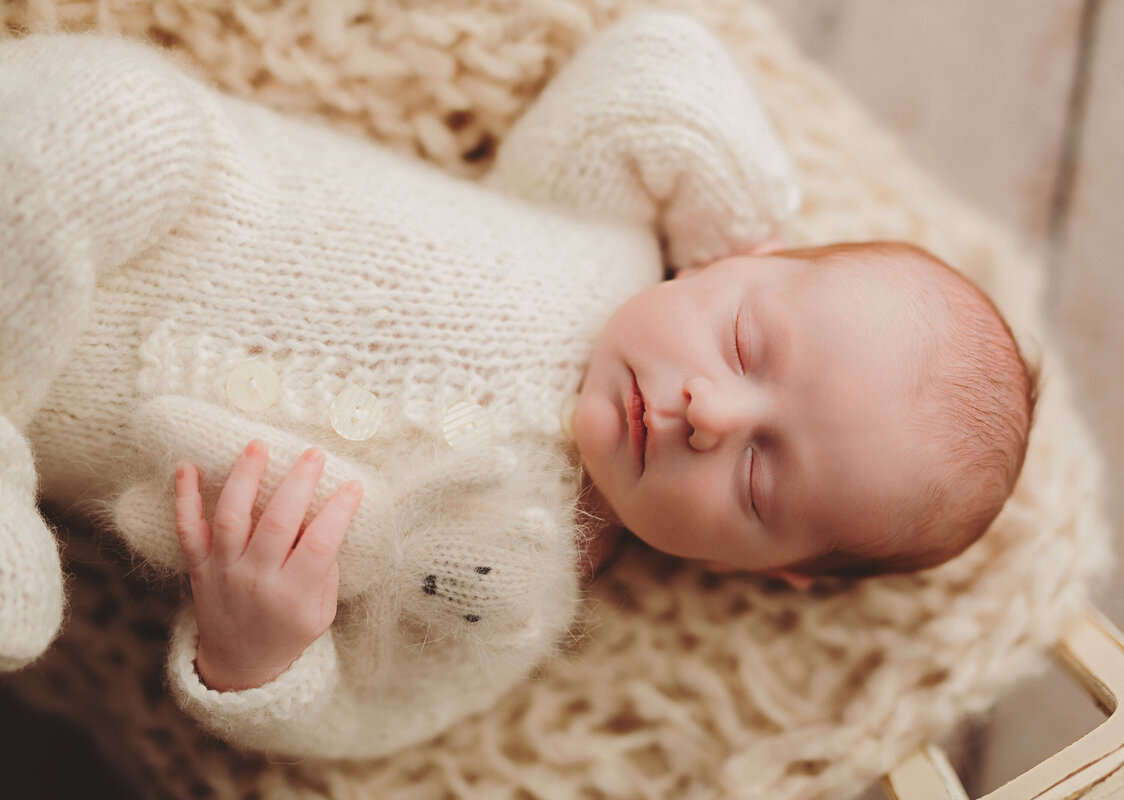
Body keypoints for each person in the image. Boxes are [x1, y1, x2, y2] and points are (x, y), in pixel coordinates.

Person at [0, 10, 1032, 759]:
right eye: (748, 340)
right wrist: (732, 211)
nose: (711, 411)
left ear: (771, 567)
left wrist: (257, 648)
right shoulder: (602, 234)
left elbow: (364, 717)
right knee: (120, 121)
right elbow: (657, 66)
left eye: (762, 477)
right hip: (152, 182)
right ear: (735, 265)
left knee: (22, 608)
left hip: (39, 413)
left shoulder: (506, 597)